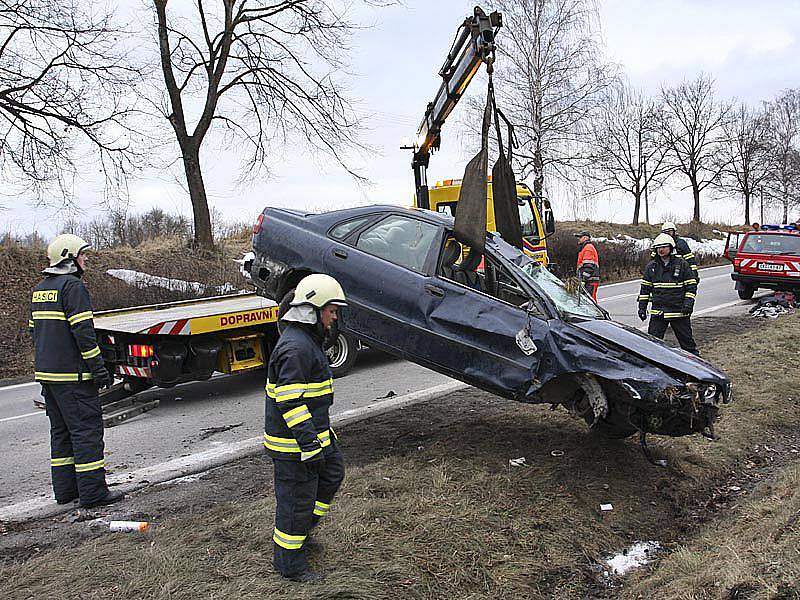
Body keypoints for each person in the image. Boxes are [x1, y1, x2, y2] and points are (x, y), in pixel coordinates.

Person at [28, 234, 124, 508]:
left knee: (61, 434)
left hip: (49, 377)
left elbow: (34, 332)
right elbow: (84, 334)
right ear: (69, 259)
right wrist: (99, 370)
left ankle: (66, 491)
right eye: (82, 256)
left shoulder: (40, 289)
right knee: (86, 433)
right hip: (74, 378)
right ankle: (93, 493)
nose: (85, 261)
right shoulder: (72, 288)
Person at [264, 274, 347, 582]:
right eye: (332, 310)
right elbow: (290, 402)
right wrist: (310, 445)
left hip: (314, 438)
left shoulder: (307, 342)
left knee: (333, 474)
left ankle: (301, 532)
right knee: (296, 503)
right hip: (295, 446)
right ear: (313, 310)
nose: (335, 317)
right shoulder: (296, 349)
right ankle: (289, 564)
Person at [638, 233, 699, 355]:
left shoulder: (681, 264)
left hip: (679, 312)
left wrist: (688, 304)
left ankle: (697, 368)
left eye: (664, 246)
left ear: (671, 248)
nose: (661, 250)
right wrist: (642, 308)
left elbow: (691, 286)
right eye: (658, 247)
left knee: (687, 344)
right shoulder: (651, 267)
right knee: (652, 344)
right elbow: (645, 289)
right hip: (659, 313)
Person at [574, 230, 600, 301]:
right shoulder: (585, 248)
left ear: (585, 238)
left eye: (580, 237)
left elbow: (589, 266)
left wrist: (583, 279)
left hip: (590, 281)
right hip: (589, 280)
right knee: (587, 301)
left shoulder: (588, 248)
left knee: (590, 302)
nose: (578, 239)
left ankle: (596, 312)